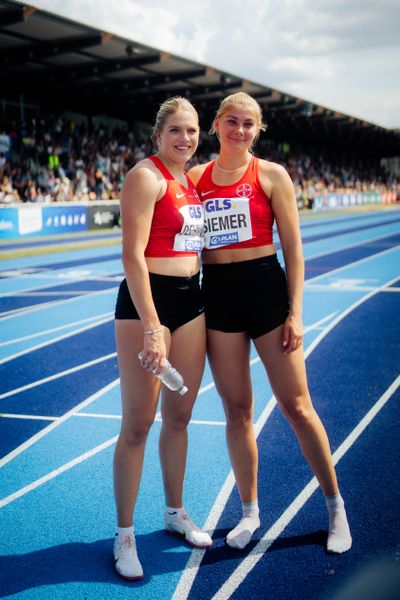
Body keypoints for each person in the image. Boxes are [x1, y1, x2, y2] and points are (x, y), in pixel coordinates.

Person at [189, 92, 352, 553]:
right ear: (217, 124)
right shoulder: (197, 178)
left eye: (249, 125)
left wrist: (295, 312)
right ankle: (249, 513)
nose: (240, 131)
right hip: (218, 295)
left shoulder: (272, 174)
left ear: (257, 131)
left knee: (297, 405)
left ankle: (336, 506)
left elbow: (296, 250)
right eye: (232, 122)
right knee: (237, 410)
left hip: (265, 291)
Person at [113, 96, 211, 581]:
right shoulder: (145, 176)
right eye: (176, 130)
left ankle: (174, 513)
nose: (185, 139)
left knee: (180, 416)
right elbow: (132, 256)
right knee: (137, 423)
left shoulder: (191, 183)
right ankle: (125, 534)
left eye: (192, 131)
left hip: (190, 302)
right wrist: (153, 326)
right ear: (159, 135)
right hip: (146, 305)